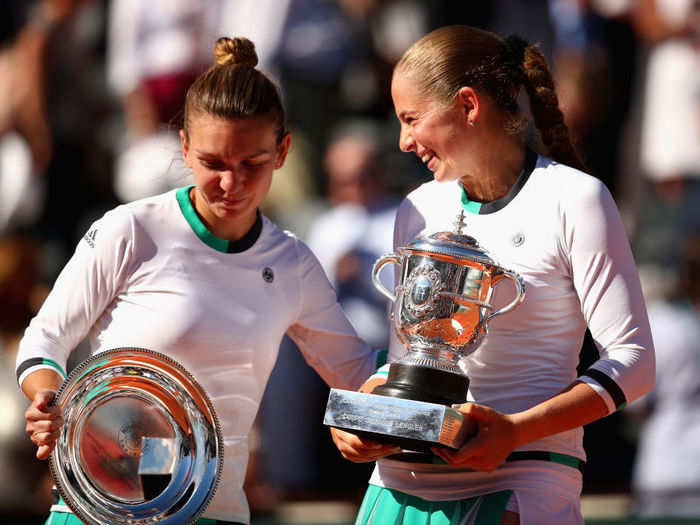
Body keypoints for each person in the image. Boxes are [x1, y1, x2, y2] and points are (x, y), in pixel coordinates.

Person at [17, 36, 381, 525]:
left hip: (218, 514)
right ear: (185, 147)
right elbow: (43, 342)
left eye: (252, 164)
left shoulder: (293, 263)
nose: (231, 185)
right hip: (99, 511)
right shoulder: (130, 229)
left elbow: (357, 373)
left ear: (283, 151)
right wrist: (48, 398)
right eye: (213, 164)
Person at [330, 25, 655, 525]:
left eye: (411, 119)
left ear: (467, 104)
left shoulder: (576, 198)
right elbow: (409, 358)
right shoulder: (416, 207)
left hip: (522, 479)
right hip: (397, 486)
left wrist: (515, 431)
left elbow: (634, 363)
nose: (403, 142)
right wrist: (366, 412)